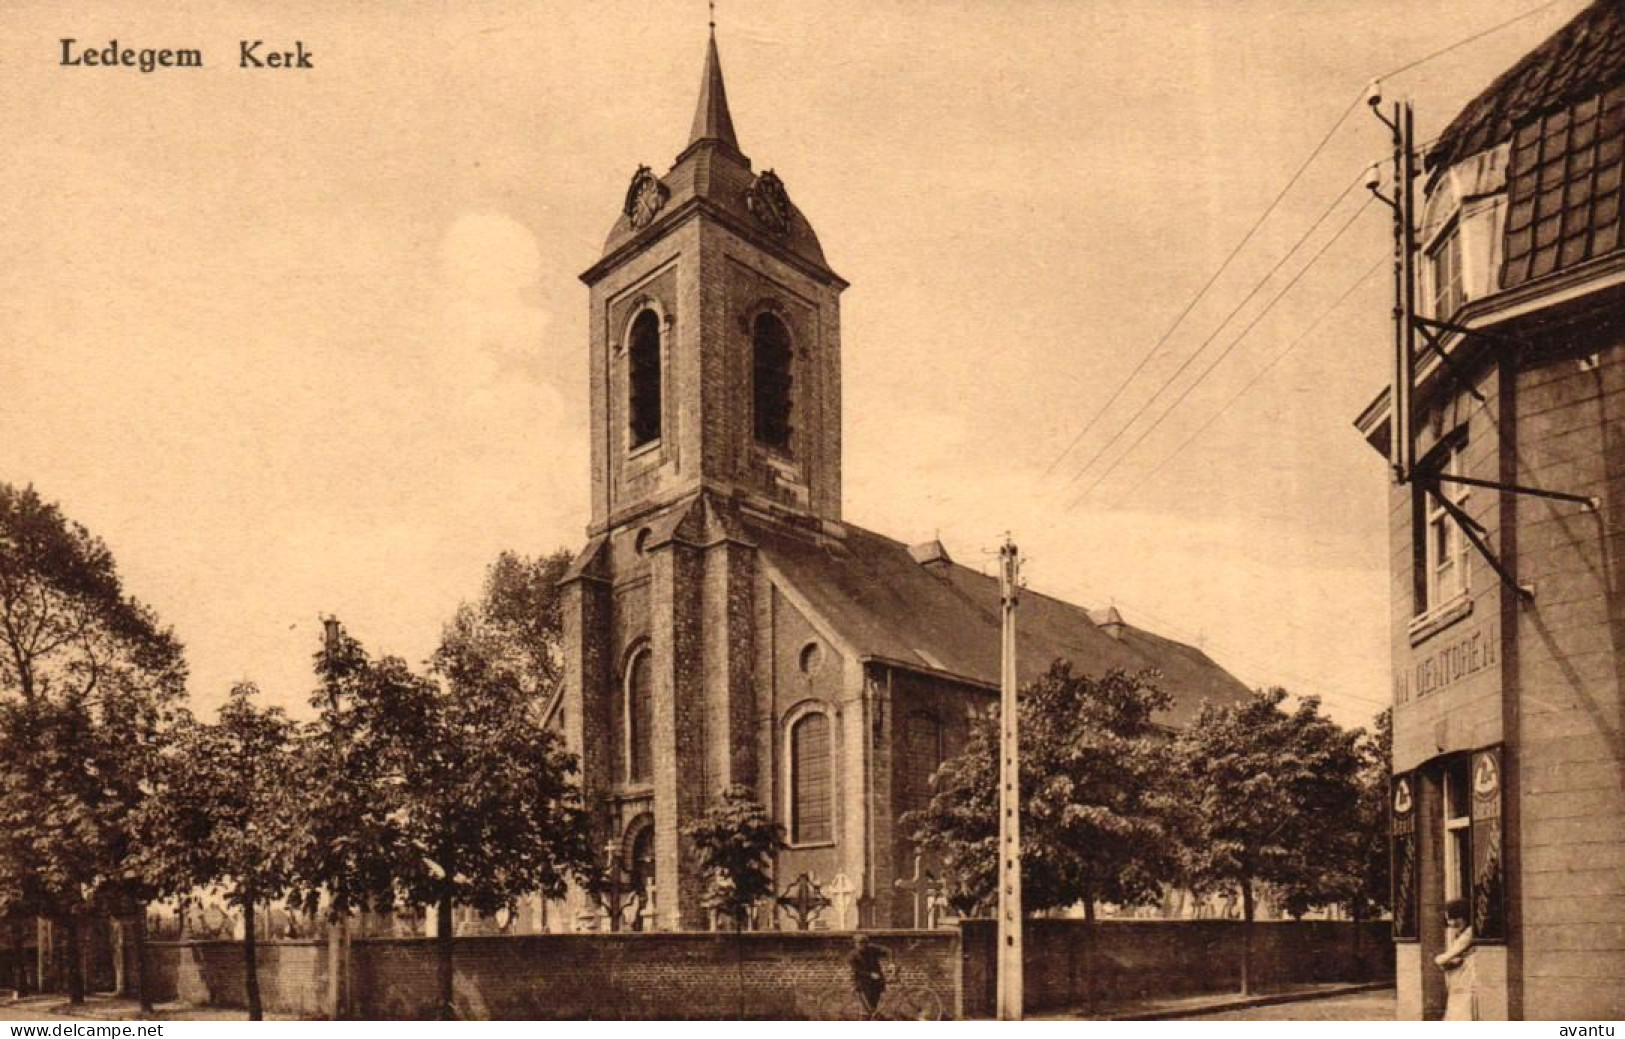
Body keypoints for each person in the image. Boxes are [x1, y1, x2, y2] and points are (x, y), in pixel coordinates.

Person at [1435, 899, 1477, 1021]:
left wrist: (1441, 959)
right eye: (1449, 919)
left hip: (1467, 981)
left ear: (1465, 917)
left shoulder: (1469, 933)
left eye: (1456, 918)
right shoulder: (1460, 934)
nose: (1452, 923)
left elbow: (1443, 959)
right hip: (1459, 982)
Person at [848, 933, 892, 1019]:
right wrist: (870, 974)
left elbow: (888, 951)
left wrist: (891, 963)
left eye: (864, 943)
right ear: (855, 944)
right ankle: (867, 1017)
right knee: (868, 1005)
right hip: (863, 981)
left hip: (877, 979)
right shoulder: (852, 956)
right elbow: (856, 971)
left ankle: (873, 1015)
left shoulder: (872, 949)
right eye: (859, 943)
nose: (862, 946)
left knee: (875, 1001)